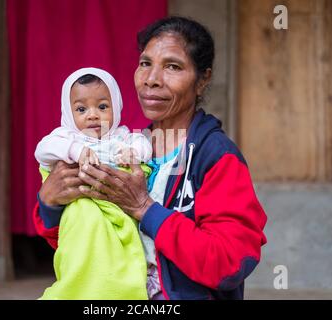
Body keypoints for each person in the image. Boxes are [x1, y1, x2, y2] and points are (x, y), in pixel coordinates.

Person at [34, 17, 267, 300]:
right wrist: (50, 204)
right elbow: (78, 242)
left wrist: (145, 208)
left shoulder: (215, 157)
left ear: (202, 80)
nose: (151, 80)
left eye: (172, 66)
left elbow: (228, 264)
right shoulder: (124, 147)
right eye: (145, 63)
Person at [34, 67, 152, 299]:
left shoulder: (121, 137)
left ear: (116, 107)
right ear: (68, 113)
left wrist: (133, 152)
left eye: (102, 107)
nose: (93, 115)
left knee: (119, 264)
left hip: (116, 216)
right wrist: (76, 151)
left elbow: (144, 144)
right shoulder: (65, 137)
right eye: (81, 109)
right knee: (81, 259)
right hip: (80, 218)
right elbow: (43, 150)